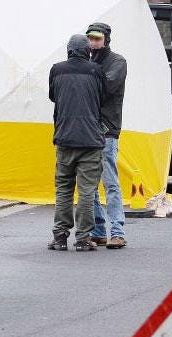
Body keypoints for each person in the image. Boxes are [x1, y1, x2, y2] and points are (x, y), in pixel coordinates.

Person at [48, 34, 106, 252]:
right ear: (87, 51)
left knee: (63, 189)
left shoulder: (57, 69)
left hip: (64, 139)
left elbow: (53, 96)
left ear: (69, 50)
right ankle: (83, 238)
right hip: (91, 141)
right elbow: (102, 98)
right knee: (87, 191)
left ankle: (60, 237)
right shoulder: (96, 71)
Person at [86, 23, 128, 249]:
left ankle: (118, 231)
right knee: (89, 185)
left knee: (110, 183)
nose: (93, 42)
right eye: (90, 38)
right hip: (88, 129)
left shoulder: (117, 62)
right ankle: (99, 230)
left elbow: (105, 87)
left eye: (97, 38)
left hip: (107, 130)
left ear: (106, 40)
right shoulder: (88, 63)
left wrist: (84, 77)